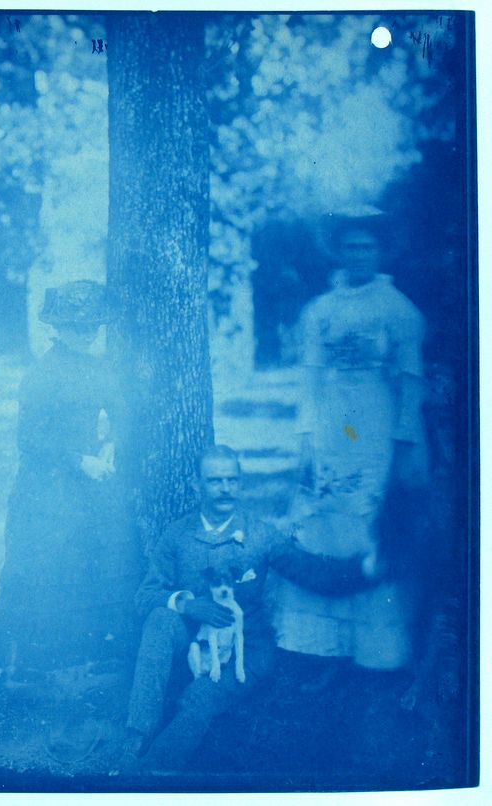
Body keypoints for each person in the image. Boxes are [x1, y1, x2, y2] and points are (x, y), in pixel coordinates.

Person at [116, 446, 377, 774]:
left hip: (245, 649)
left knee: (200, 697)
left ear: (240, 484)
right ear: (197, 485)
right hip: (192, 643)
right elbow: (145, 596)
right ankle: (135, 740)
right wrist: (189, 604)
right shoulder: (178, 534)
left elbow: (310, 571)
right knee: (159, 618)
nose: (225, 488)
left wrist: (367, 568)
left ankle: (149, 774)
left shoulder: (259, 534)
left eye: (232, 480)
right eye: (215, 481)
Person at [271, 210, 428, 670]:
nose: (359, 255)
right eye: (351, 247)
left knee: (370, 521)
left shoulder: (397, 308)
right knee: (324, 521)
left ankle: (374, 648)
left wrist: (405, 442)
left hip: (375, 424)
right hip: (331, 424)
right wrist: (305, 438)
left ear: (379, 252)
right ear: (338, 252)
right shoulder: (320, 311)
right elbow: (309, 380)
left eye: (367, 247)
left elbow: (411, 382)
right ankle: (323, 643)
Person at [0, 280, 143, 693]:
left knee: (91, 564)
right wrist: (78, 460)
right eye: (77, 326)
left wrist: (111, 444)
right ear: (57, 327)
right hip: (47, 485)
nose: (87, 333)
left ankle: (84, 660)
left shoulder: (101, 369)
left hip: (90, 486)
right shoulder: (42, 374)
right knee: (47, 568)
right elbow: (29, 439)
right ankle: (30, 667)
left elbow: (121, 413)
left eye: (93, 325)